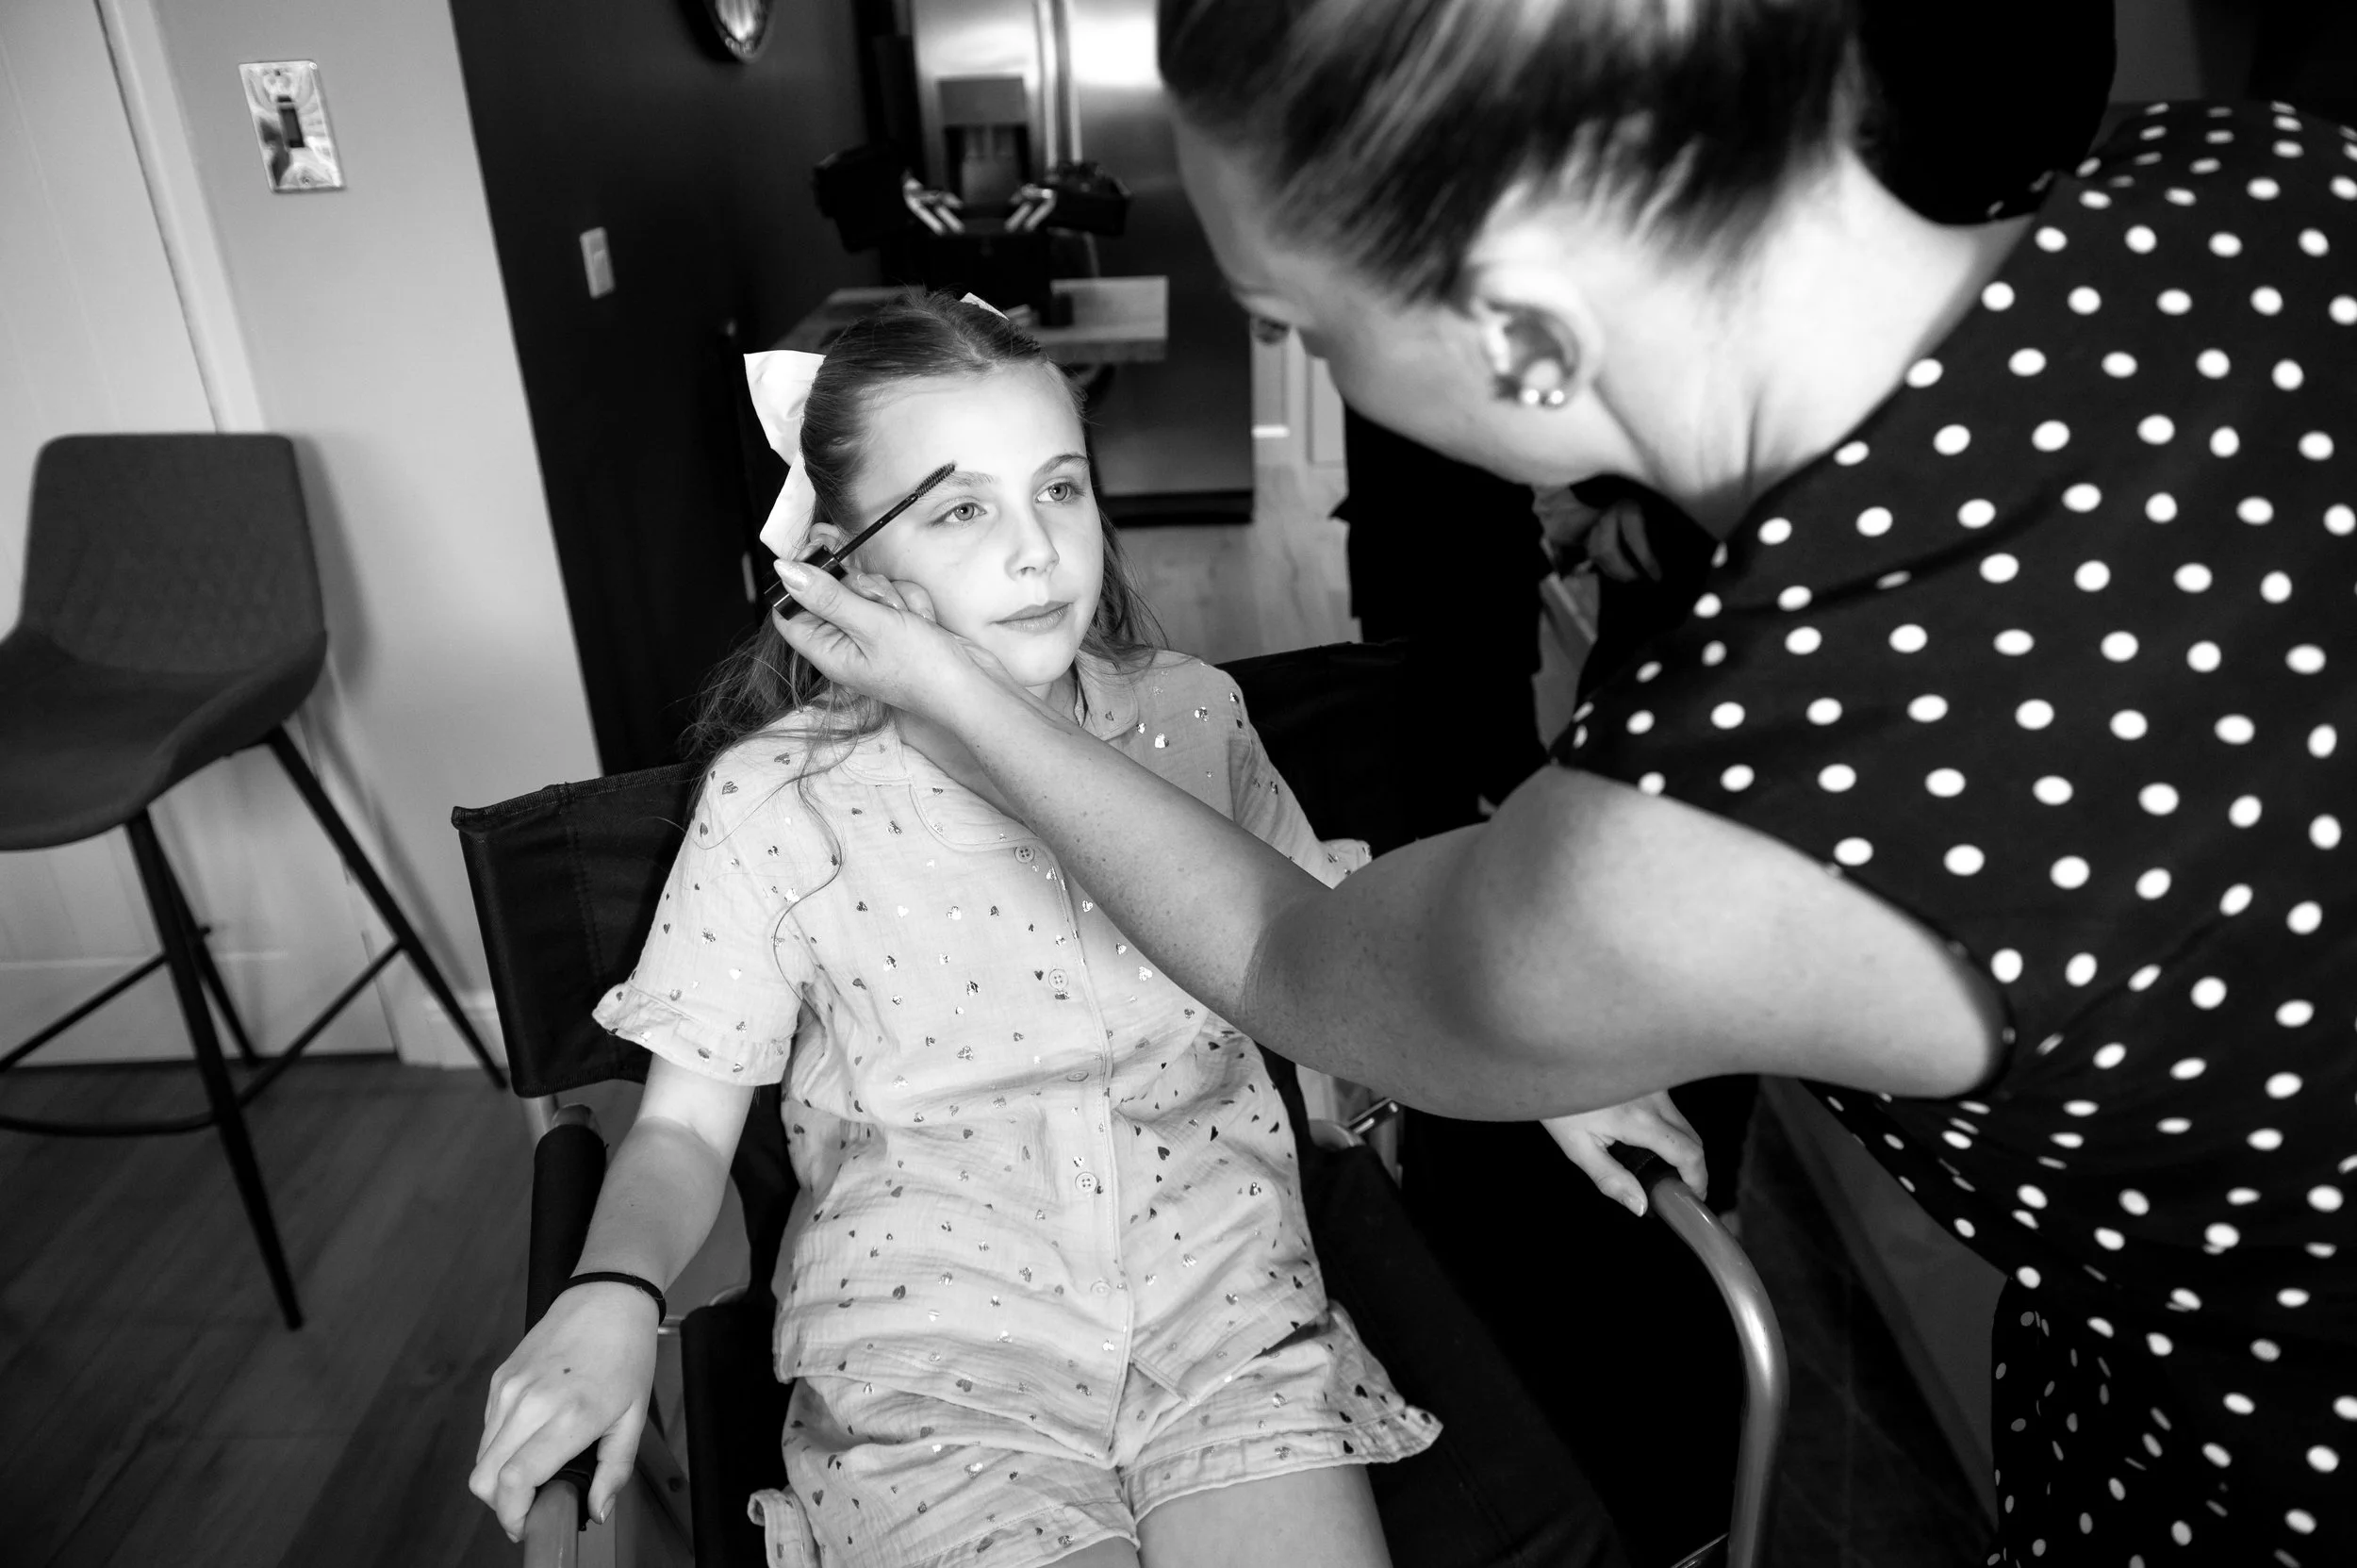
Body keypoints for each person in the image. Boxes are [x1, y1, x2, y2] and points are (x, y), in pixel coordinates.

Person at [766, 6, 2357, 1563]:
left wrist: (962, 704)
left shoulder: (1751, 807)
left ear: (1521, 335)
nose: (1295, 352)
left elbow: (1282, 961)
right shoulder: (2243, 177)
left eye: (1300, 321)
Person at [468, 293, 1701, 1567]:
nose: (1037, 550)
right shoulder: (777, 805)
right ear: (835, 560)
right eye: (960, 509)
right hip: (935, 1372)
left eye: (1060, 490)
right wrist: (609, 1289)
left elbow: (1345, 961)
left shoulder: (1194, 722)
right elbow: (678, 1129)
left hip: (1227, 1323)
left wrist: (1537, 1069)